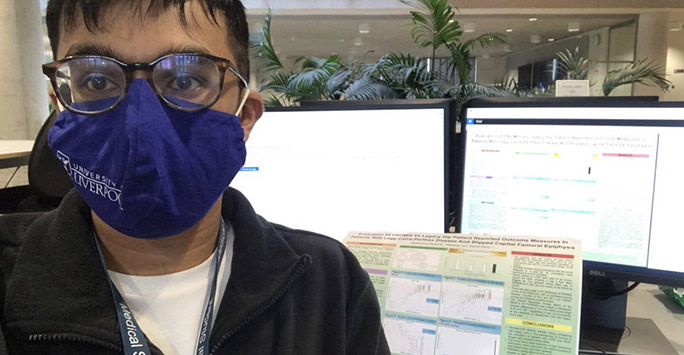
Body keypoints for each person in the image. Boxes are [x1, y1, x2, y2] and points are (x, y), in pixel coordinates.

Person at [0, 0, 390, 354]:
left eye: (185, 80)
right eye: (96, 80)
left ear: (244, 114)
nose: (140, 121)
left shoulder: (328, 284)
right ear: (60, 107)